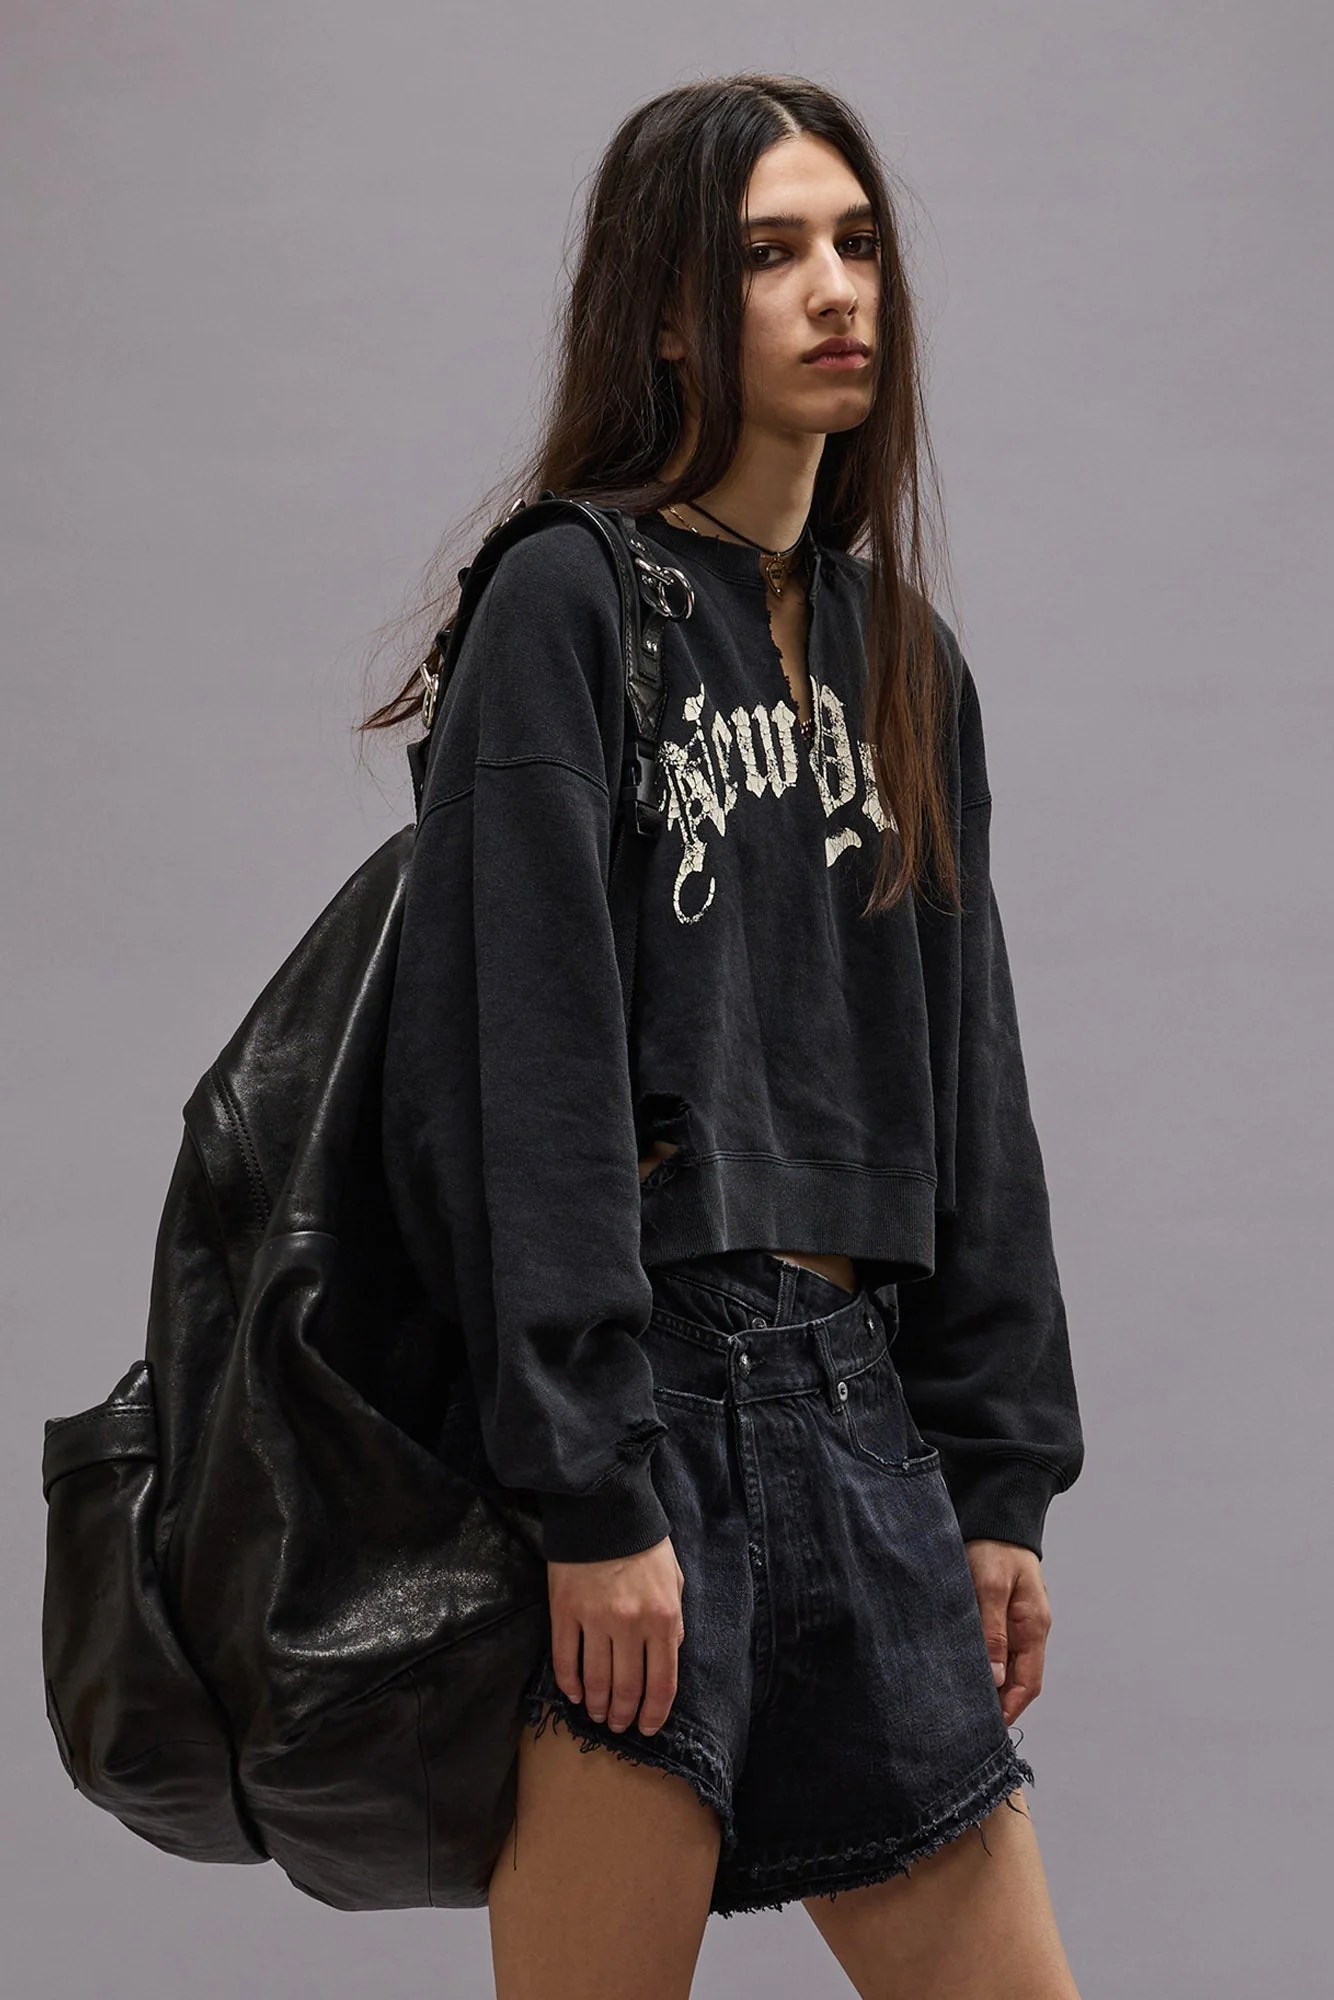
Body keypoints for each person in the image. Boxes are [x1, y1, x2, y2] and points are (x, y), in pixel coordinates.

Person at [370, 71, 1085, 2000]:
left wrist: (995, 1477)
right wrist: (587, 1493)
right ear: (672, 313)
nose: (835, 290)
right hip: (651, 1411)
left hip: (859, 1407)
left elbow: (967, 1082)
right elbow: (517, 1073)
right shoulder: (564, 602)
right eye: (770, 254)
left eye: (855, 244)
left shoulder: (899, 652)